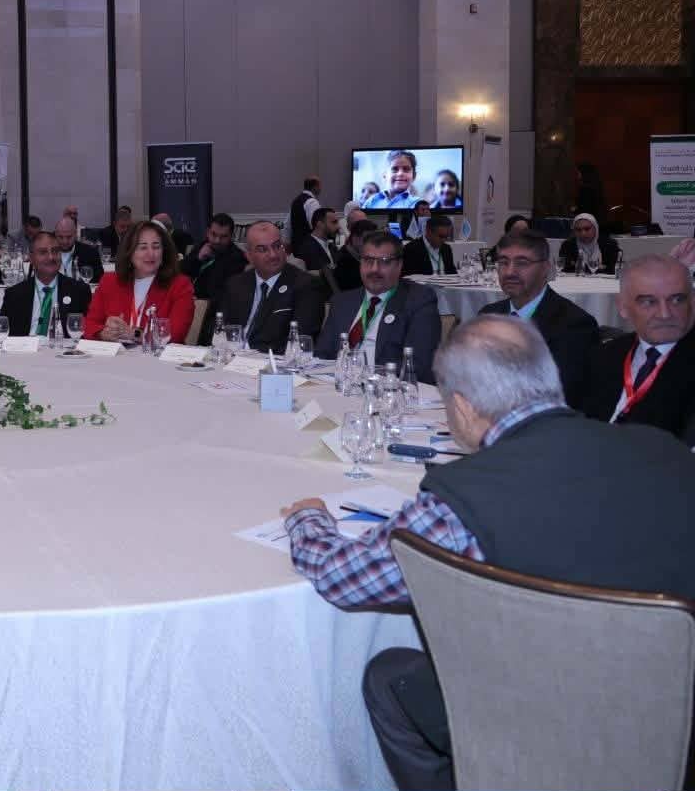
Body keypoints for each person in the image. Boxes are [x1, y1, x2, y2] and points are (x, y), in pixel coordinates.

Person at [281, 316, 695, 791]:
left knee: (390, 675)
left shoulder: (466, 497)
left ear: (461, 407)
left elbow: (344, 577)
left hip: (555, 720)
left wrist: (307, 519)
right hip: (676, 709)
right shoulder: (665, 450)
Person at [582, 254, 695, 446]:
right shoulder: (604, 355)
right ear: (622, 307)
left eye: (677, 300)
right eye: (649, 302)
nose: (665, 314)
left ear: (692, 302)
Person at [477, 228, 597, 407]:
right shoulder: (488, 315)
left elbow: (559, 395)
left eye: (522, 263)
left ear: (545, 268)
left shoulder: (573, 324)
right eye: (503, 262)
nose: (509, 272)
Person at [315, 230, 441, 377]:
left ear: (399, 265)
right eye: (368, 260)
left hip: (386, 385)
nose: (374, 269)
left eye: (384, 261)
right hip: (338, 384)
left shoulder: (419, 301)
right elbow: (321, 356)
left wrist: (365, 376)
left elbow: (418, 365)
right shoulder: (342, 301)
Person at [200, 221, 321, 351]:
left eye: (277, 246)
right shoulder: (235, 284)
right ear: (249, 256)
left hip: (271, 360)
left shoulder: (306, 285)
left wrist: (248, 353)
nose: (273, 254)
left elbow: (300, 340)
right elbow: (215, 329)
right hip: (230, 356)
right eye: (262, 249)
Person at [84, 220, 193, 344]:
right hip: (118, 354)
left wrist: (134, 334)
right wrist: (104, 333)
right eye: (143, 247)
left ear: (164, 251)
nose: (151, 254)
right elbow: (89, 326)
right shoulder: (109, 282)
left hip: (157, 355)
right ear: (129, 252)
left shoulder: (180, 285)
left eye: (156, 247)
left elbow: (175, 335)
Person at [0, 231, 91, 337]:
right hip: (25, 346)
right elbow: (2, 333)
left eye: (55, 251)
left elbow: (88, 333)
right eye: (43, 252)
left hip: (63, 346)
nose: (51, 257)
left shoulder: (79, 291)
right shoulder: (14, 294)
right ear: (31, 258)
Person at [179, 213, 246, 301]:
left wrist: (198, 299)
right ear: (208, 232)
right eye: (214, 234)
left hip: (210, 304)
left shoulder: (237, 258)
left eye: (223, 236)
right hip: (189, 298)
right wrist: (198, 258)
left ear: (231, 236)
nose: (217, 240)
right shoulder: (202, 246)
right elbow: (181, 272)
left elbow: (223, 293)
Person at [52, 216, 104, 284]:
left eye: (69, 237)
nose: (65, 241)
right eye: (60, 237)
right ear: (55, 235)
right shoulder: (48, 253)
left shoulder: (90, 252)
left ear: (75, 234)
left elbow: (100, 279)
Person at [333, 217, 376, 293]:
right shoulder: (344, 262)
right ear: (355, 238)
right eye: (366, 240)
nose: (371, 245)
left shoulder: (354, 254)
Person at [296, 207, 341, 274]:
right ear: (320, 224)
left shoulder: (331, 245)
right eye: (334, 222)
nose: (338, 226)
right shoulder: (308, 248)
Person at [287, 177, 321, 250]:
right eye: (319, 186)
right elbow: (316, 227)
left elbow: (288, 225)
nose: (320, 188)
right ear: (315, 187)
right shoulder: (312, 202)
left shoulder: (295, 201)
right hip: (308, 246)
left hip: (296, 245)